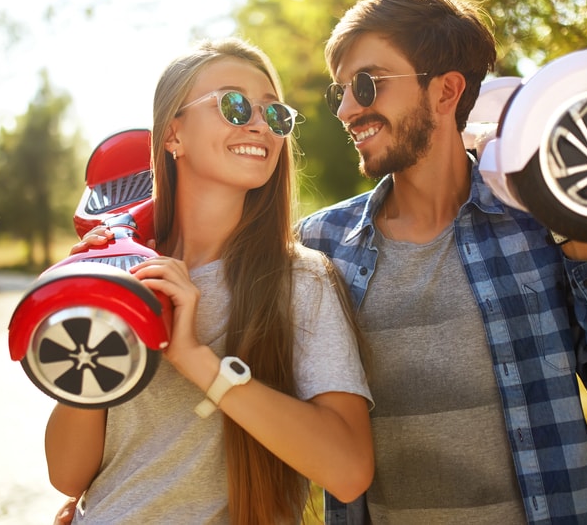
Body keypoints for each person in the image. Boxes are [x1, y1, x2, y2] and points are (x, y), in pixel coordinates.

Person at [296, 0, 587, 524]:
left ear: (446, 91)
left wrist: (582, 238)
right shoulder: (319, 246)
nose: (348, 109)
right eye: (341, 93)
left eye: (366, 84)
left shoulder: (542, 225)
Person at [47, 38, 374, 524]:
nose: (261, 124)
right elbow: (68, 476)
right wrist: (95, 309)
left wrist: (198, 360)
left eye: (274, 113)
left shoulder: (300, 281)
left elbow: (348, 471)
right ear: (172, 134)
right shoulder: (122, 274)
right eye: (235, 105)